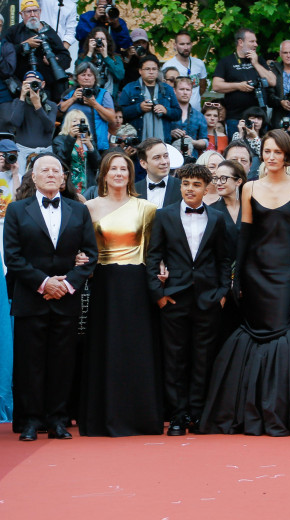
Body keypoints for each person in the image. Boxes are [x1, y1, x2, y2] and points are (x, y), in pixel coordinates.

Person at [201, 129, 290, 436]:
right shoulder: (250, 188)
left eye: (277, 152)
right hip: (255, 272)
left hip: (286, 274)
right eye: (267, 152)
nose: (271, 157)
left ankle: (287, 409)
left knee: (285, 332)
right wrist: (237, 276)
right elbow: (244, 236)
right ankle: (251, 410)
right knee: (255, 333)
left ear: (287, 156)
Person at [3, 154, 97, 440]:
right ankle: (30, 420)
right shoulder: (17, 210)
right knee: (29, 363)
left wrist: (67, 284)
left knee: (63, 362)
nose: (51, 174)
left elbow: (90, 255)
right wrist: (44, 283)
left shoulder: (78, 211)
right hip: (31, 298)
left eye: (56, 170)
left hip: (66, 299)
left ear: (64, 177)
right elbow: (13, 257)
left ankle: (57, 419)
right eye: (44, 170)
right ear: (34, 176)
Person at [79, 151, 162, 436]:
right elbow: (83, 248)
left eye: (123, 169)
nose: (118, 173)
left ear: (130, 175)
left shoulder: (146, 208)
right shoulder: (88, 207)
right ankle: (103, 417)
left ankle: (140, 417)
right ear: (103, 174)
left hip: (136, 285)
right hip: (103, 283)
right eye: (112, 169)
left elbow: (153, 253)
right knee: (106, 345)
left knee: (136, 348)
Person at [146, 163, 231, 436]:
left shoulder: (217, 218)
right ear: (179, 186)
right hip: (173, 299)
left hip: (208, 300)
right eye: (185, 184)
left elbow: (223, 260)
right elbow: (152, 257)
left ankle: (197, 413)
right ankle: (178, 416)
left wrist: (221, 294)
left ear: (207, 189)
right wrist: (158, 295)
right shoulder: (164, 216)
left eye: (196, 185)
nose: (190, 189)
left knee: (203, 359)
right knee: (174, 359)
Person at [212, 28, 277, 139]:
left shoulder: (259, 60)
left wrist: (255, 63)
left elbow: (272, 81)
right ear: (240, 42)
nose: (256, 44)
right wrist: (238, 86)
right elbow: (216, 85)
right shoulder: (226, 62)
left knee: (259, 149)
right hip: (236, 117)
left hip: (258, 118)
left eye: (256, 41)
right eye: (252, 41)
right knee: (237, 148)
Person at [6, 0, 71, 102]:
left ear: (40, 12)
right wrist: (24, 46)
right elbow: (5, 53)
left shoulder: (48, 31)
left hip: (47, 87)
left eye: (35, 11)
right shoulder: (13, 31)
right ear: (21, 14)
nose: (33, 15)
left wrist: (55, 59)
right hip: (21, 88)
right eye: (28, 12)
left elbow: (66, 57)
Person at [118, 55, 181, 143]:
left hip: (163, 140)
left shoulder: (167, 89)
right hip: (138, 141)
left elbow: (178, 113)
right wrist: (139, 108)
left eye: (154, 69)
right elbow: (121, 114)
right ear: (140, 71)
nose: (151, 72)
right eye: (147, 69)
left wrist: (165, 110)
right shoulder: (129, 88)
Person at [3, 71, 57, 170]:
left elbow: (49, 127)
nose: (32, 86)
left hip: (45, 151)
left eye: (35, 83)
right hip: (23, 150)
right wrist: (22, 97)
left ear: (43, 84)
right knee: (21, 181)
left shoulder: (51, 105)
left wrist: (38, 106)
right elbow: (15, 123)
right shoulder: (17, 103)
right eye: (28, 83)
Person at [58, 62, 117, 152]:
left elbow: (112, 118)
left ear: (95, 78)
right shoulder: (70, 92)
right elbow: (58, 111)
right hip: (71, 144)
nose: (86, 78)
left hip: (96, 145)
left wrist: (94, 104)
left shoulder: (103, 94)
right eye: (83, 75)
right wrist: (73, 98)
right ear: (77, 77)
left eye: (90, 75)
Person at [52, 109, 99, 192]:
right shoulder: (60, 140)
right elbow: (61, 161)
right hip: (69, 184)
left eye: (81, 121)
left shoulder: (88, 140)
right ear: (68, 123)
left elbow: (98, 165)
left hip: (88, 185)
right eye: (74, 121)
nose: (78, 124)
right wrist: (70, 138)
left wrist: (90, 146)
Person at [162, 31, 208, 113]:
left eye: (188, 44)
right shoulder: (168, 66)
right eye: (182, 44)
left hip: (196, 112)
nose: (186, 47)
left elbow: (202, 86)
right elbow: (165, 90)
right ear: (175, 46)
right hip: (176, 113)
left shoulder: (199, 63)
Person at [75, 26, 124, 98]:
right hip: (87, 96)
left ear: (107, 41)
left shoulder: (115, 58)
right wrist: (90, 53)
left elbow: (120, 75)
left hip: (109, 98)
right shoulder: (83, 57)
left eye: (102, 39)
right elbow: (77, 73)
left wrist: (106, 57)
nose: (99, 41)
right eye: (97, 39)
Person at [134, 138, 182, 208]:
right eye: (157, 158)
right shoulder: (134, 191)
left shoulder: (182, 187)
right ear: (143, 163)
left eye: (166, 156)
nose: (164, 162)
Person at [170, 76, 207, 158]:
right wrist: (170, 133)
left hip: (191, 160)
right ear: (174, 91)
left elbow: (205, 141)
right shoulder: (167, 112)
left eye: (188, 90)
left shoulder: (199, 116)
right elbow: (158, 136)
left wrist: (193, 142)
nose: (185, 92)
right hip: (170, 158)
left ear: (191, 92)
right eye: (181, 89)